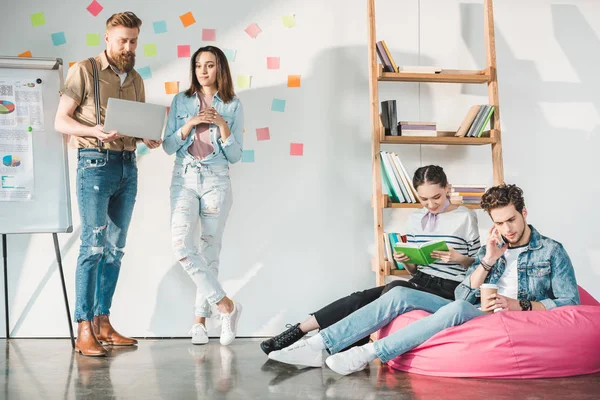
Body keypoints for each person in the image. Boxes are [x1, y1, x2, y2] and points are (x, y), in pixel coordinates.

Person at [268, 184, 580, 375]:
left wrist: (518, 305)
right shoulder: (495, 247)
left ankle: (367, 353)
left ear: (524, 212)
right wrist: (488, 259)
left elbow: (570, 302)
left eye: (512, 219)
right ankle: (320, 344)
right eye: (500, 222)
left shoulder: (551, 251)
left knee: (455, 312)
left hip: (511, 319)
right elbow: (462, 293)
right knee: (398, 292)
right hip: (477, 309)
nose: (508, 228)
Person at [261, 165, 480, 355]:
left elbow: (480, 265)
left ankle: (344, 344)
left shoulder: (465, 216)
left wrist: (458, 258)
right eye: (423, 199)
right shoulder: (415, 219)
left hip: (448, 288)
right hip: (420, 281)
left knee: (393, 287)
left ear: (446, 188)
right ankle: (296, 332)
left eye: (436, 197)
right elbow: (414, 270)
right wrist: (405, 259)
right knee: (359, 297)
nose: (430, 205)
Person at [55, 11, 161, 356]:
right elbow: (61, 121)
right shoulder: (83, 70)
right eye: (122, 41)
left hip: (127, 166)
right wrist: (92, 131)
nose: (128, 47)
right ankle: (84, 328)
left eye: (133, 41)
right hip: (95, 165)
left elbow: (132, 121)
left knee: (115, 250)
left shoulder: (136, 78)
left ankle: (103, 322)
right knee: (93, 247)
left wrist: (146, 136)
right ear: (107, 38)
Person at [162, 46, 244, 346]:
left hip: (217, 179)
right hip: (184, 178)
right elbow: (168, 146)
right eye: (198, 65)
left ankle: (199, 322)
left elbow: (235, 155)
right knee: (181, 243)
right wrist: (189, 124)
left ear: (220, 69)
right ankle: (226, 306)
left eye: (209, 65)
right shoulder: (181, 101)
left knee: (210, 251)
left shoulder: (233, 104)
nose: (203, 71)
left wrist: (221, 125)